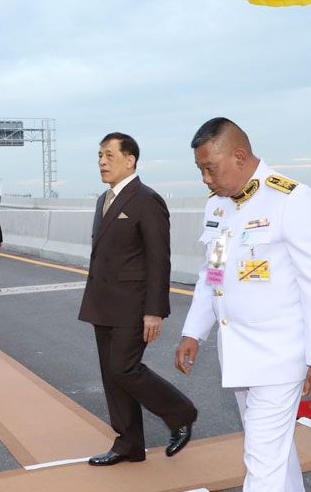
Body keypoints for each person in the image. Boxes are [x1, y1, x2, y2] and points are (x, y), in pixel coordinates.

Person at [175, 118, 311, 491]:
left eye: (210, 169)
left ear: (239, 156)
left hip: (280, 355)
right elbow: (212, 273)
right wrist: (193, 332)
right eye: (200, 170)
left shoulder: (291, 199)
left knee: (261, 459)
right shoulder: (217, 207)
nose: (205, 179)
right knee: (275, 458)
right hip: (238, 354)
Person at [79, 132, 197, 466]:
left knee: (124, 368)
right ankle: (128, 444)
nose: (102, 162)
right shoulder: (104, 200)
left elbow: (159, 258)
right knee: (111, 375)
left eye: (109, 155)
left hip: (132, 305)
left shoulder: (147, 200)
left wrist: (154, 311)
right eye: (99, 156)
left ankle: (181, 413)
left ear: (130, 160)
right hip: (103, 303)